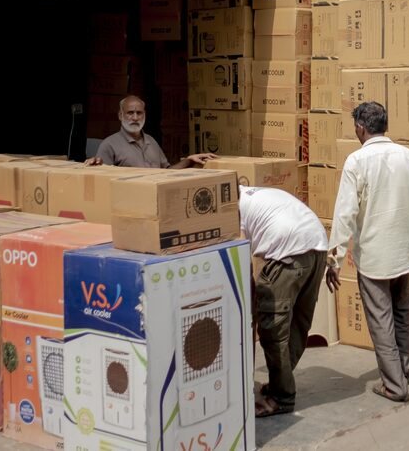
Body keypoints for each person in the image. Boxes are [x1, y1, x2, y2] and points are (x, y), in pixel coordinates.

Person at [325, 102, 409, 403]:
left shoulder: (357, 161)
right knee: (401, 314)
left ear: (361, 127)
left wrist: (333, 259)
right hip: (404, 251)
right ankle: (403, 371)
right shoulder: (407, 156)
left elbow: (345, 214)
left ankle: (395, 386)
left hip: (374, 256)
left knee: (381, 320)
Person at [239, 185, 328, 416]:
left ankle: (281, 397)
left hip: (289, 253)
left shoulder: (230, 208)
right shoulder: (255, 193)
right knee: (298, 322)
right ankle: (281, 383)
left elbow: (238, 258)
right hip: (317, 246)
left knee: (272, 329)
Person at [85, 95, 215, 168]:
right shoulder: (109, 145)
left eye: (139, 113)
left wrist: (189, 160)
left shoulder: (151, 141)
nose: (135, 117)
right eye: (130, 113)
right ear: (120, 115)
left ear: (144, 115)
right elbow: (101, 179)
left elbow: (167, 173)